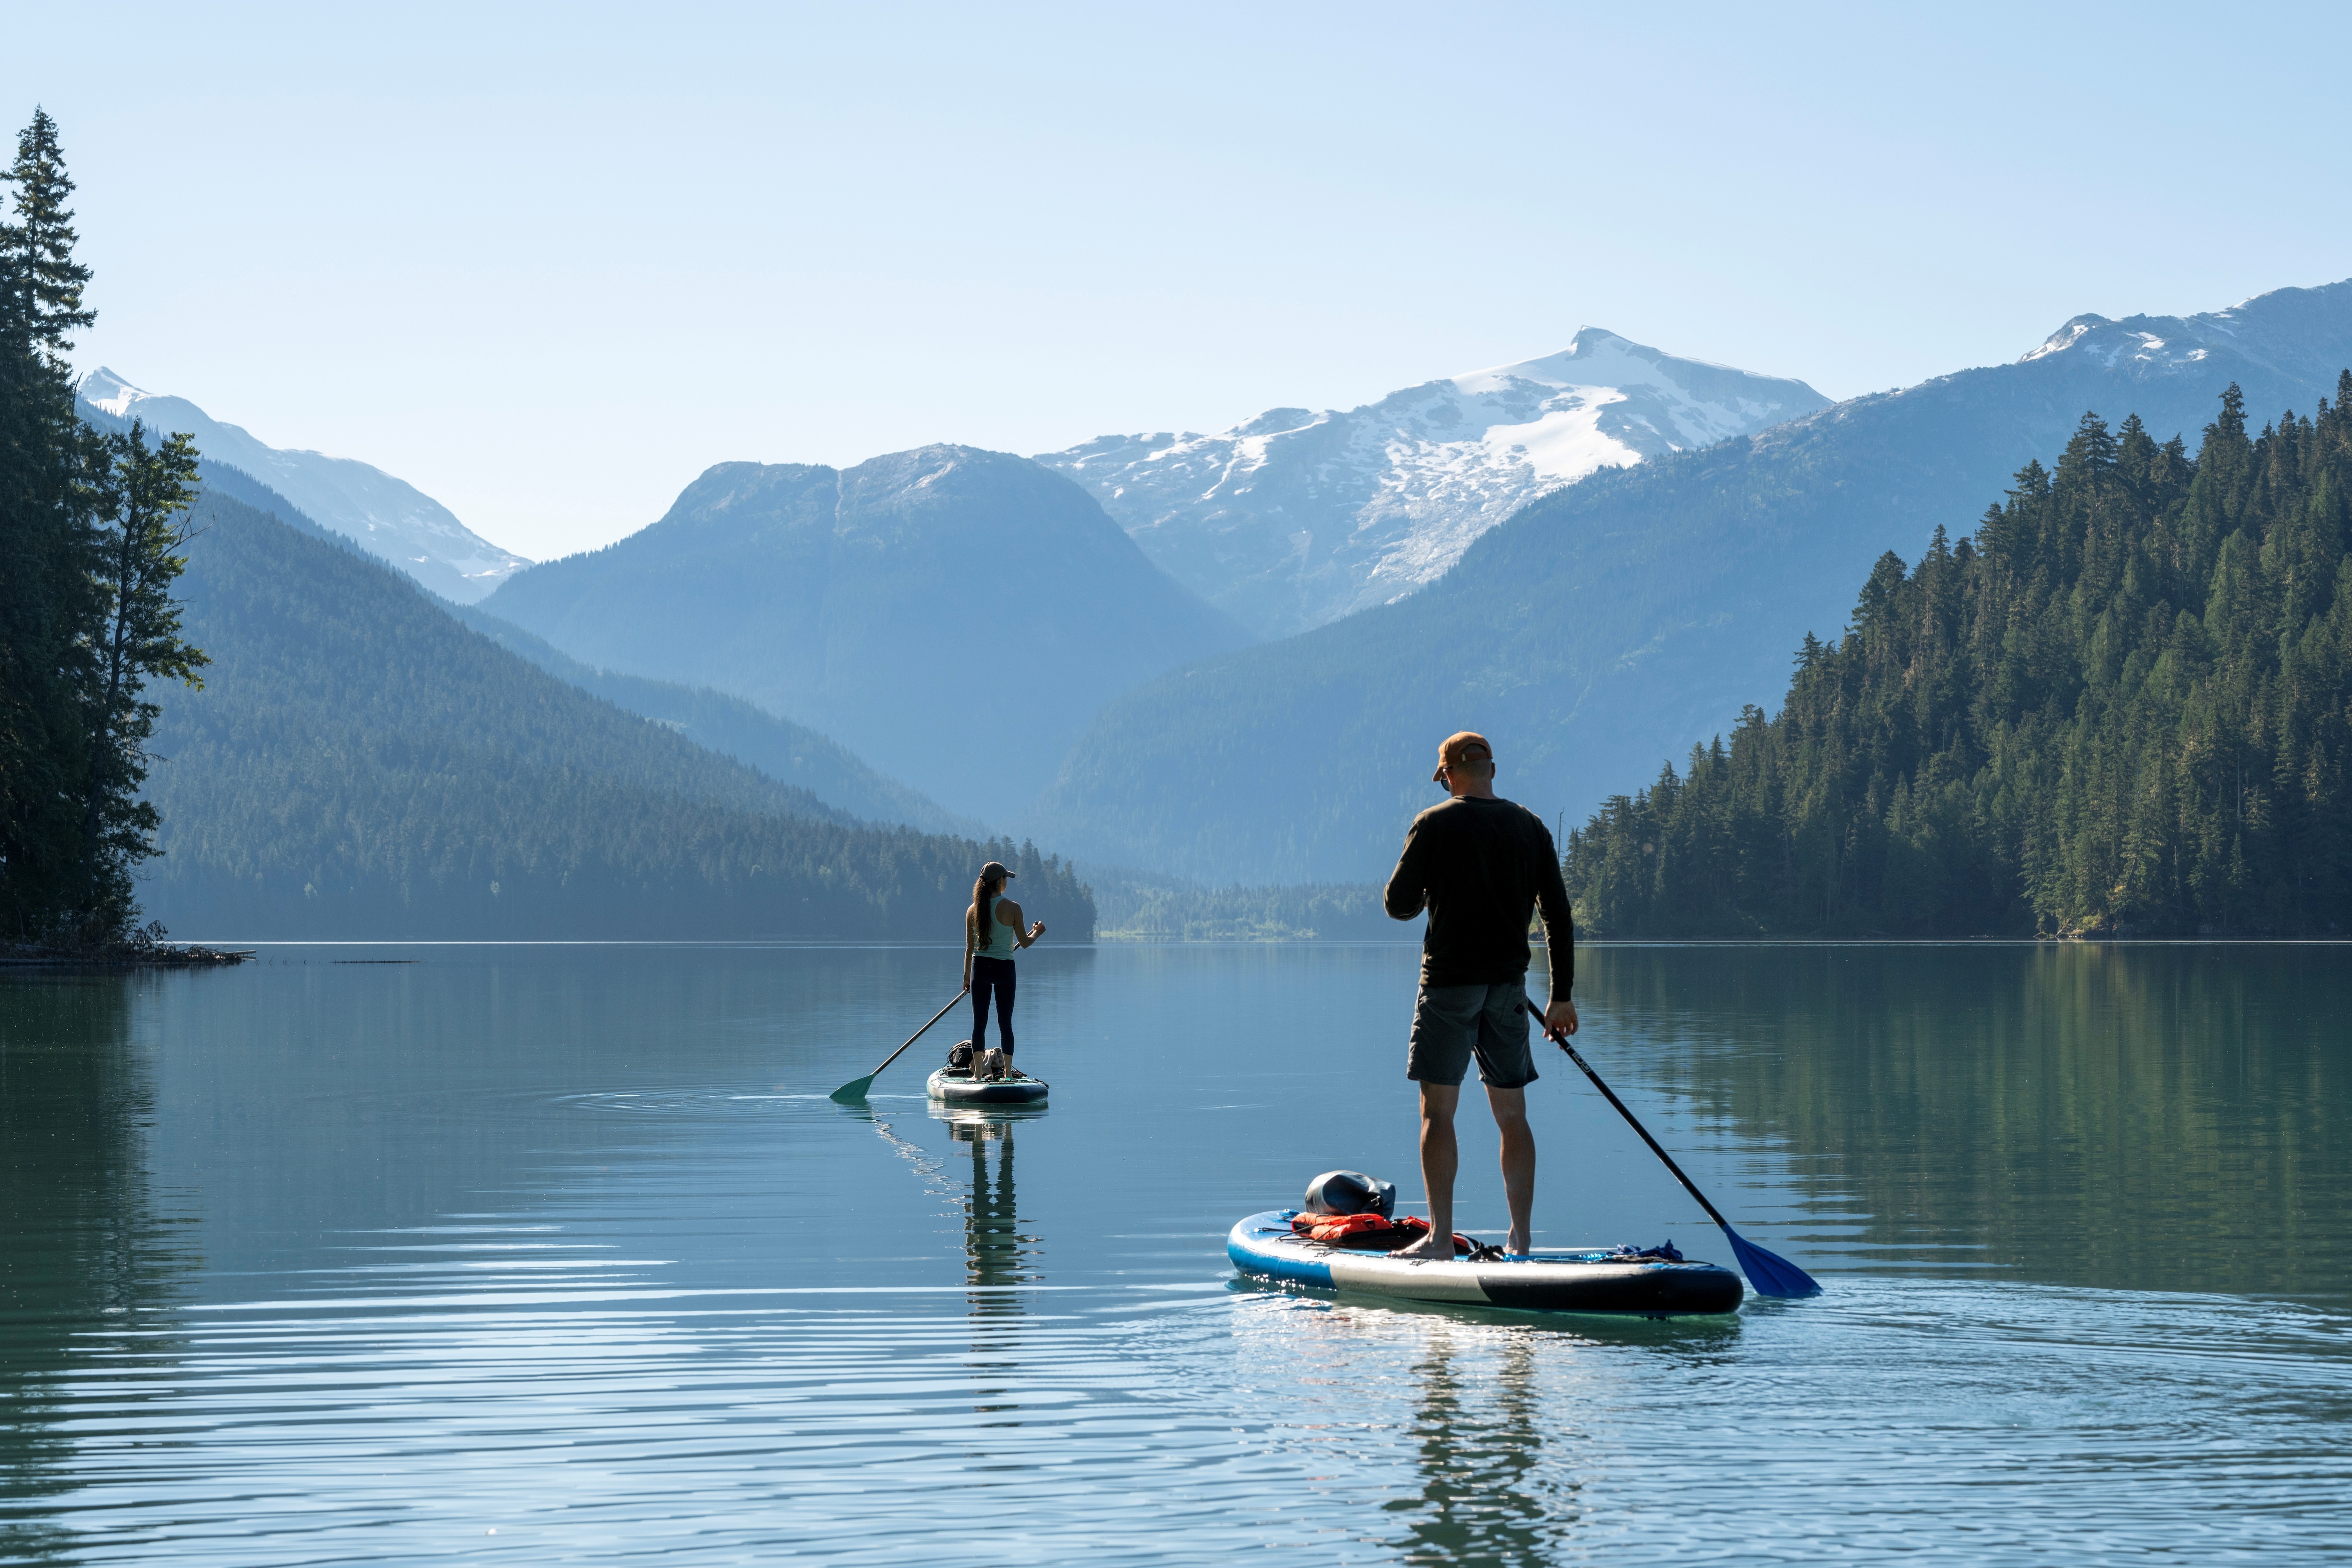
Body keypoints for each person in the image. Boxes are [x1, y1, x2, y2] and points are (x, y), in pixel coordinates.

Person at [1382, 732, 1577, 1258]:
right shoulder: (1528, 827)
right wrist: (1560, 997)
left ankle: (1440, 1241)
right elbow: (1557, 914)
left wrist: (1428, 889)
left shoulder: (1433, 823)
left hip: (1448, 987)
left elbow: (1397, 905)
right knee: (1512, 1116)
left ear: (1447, 775)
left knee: (1437, 1114)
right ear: (1492, 769)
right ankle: (1521, 1241)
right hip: (1508, 992)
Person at [962, 860, 1043, 1076]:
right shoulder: (1013, 908)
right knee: (1005, 1023)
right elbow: (1025, 943)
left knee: (979, 1023)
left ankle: (978, 1074)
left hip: (979, 968)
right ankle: (1007, 1075)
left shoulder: (972, 910)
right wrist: (1038, 932)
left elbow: (970, 949)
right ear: (1000, 881)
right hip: (1005, 969)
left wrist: (966, 979)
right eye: (1006, 878)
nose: (1007, 881)